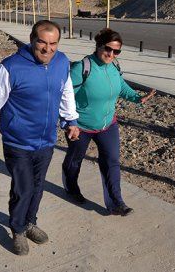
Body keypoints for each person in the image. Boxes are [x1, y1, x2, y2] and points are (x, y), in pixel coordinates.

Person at [0, 20, 79, 256]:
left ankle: (30, 221)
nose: (48, 49)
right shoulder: (11, 67)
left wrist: (71, 120)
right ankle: (19, 229)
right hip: (18, 142)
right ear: (32, 40)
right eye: (42, 42)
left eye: (53, 43)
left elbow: (65, 91)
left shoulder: (62, 62)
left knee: (38, 186)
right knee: (23, 188)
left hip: (46, 140)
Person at [62, 28, 155, 216]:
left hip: (108, 125)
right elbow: (64, 95)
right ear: (98, 46)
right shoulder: (82, 68)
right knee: (74, 160)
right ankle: (71, 188)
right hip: (81, 126)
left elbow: (120, 86)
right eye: (108, 49)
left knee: (111, 161)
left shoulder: (114, 67)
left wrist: (137, 98)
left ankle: (116, 203)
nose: (111, 54)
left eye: (116, 51)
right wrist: (68, 122)